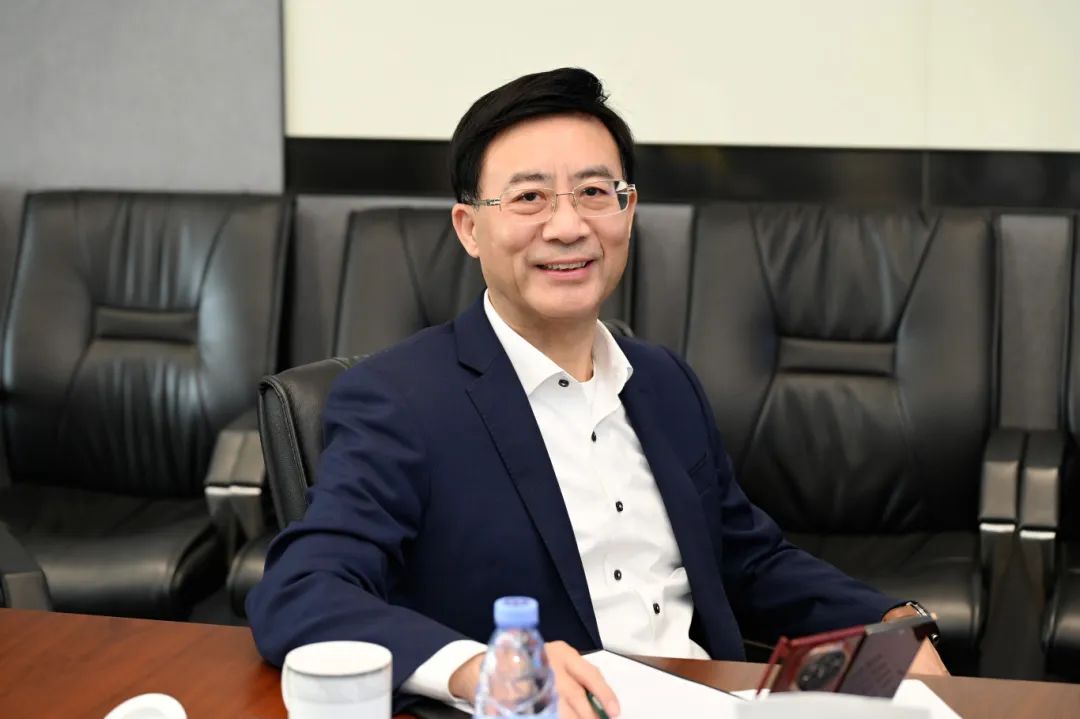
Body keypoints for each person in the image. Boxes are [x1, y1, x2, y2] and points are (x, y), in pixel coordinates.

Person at [247, 67, 948, 718]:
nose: (568, 226)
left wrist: (887, 624)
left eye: (593, 192)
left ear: (628, 210)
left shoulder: (664, 380)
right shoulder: (398, 399)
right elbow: (303, 590)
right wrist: (482, 667)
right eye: (528, 197)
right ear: (469, 227)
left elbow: (748, 558)